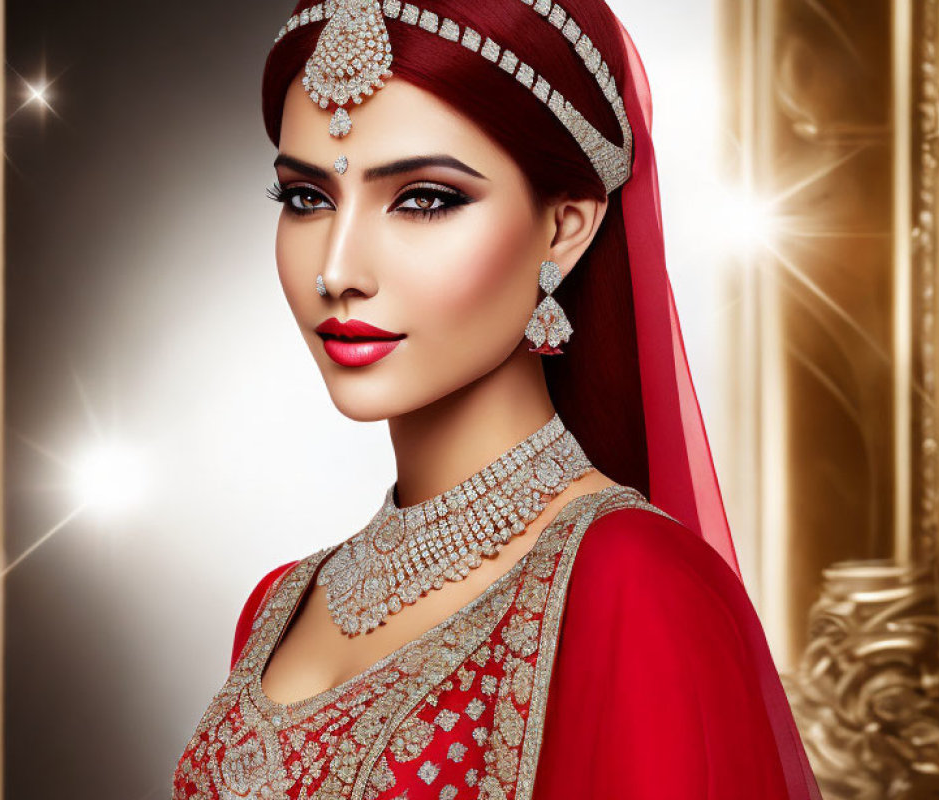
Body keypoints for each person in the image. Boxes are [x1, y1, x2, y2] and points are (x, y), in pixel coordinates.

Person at [172, 0, 824, 798]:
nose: (337, 270)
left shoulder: (637, 586)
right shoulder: (276, 608)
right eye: (307, 199)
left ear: (565, 229)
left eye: (423, 199)